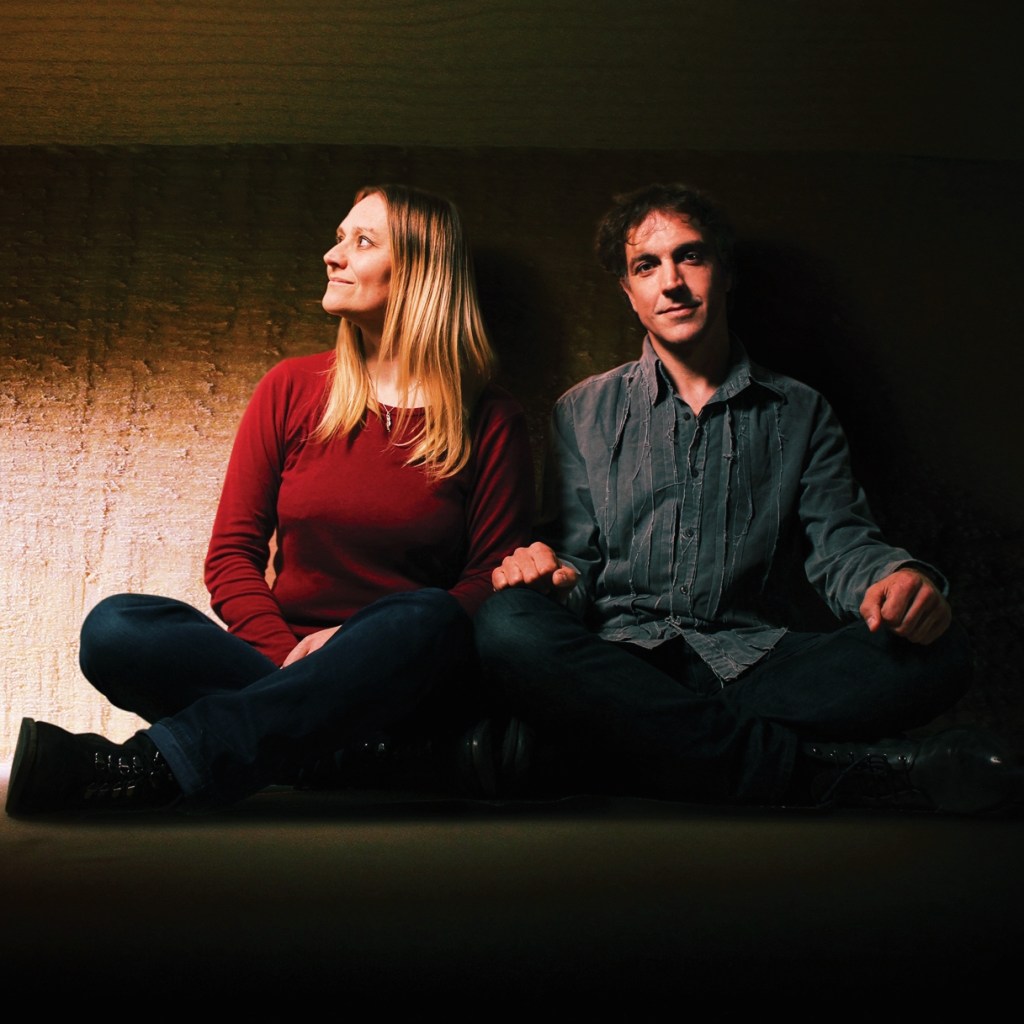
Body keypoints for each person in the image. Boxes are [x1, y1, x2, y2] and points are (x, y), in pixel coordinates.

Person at [476, 181, 1021, 814]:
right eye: (646, 266)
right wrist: (550, 578)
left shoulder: (802, 411)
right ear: (628, 292)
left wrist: (896, 579)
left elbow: (842, 546)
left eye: (690, 256)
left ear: (726, 271)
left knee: (941, 652)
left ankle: (621, 746)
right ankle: (807, 772)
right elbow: (577, 562)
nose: (671, 282)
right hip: (619, 658)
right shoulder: (582, 410)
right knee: (506, 624)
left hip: (757, 664)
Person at [7, 183, 534, 816]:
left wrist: (350, 649)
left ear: (422, 272)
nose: (333, 255)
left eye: (363, 241)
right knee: (117, 629)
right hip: (277, 657)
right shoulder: (291, 387)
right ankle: (368, 755)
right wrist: (291, 665)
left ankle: (154, 765)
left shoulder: (491, 417)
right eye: (339, 238)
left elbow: (486, 581)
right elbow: (231, 557)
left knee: (430, 615)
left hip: (404, 670)